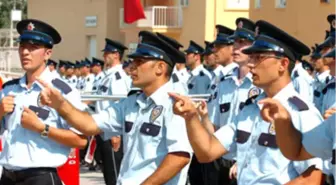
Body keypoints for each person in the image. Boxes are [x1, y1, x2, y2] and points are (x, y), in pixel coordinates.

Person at [169, 20, 325, 184]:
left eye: (258, 58)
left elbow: (312, 179)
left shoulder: (302, 114)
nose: (250, 64)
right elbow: (207, 151)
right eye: (251, 57)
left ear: (283, 64)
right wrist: (191, 117)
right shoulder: (249, 110)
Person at [37, 30, 192, 185]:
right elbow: (90, 124)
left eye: (139, 62)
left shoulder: (176, 105)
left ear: (160, 68)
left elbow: (179, 156)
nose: (132, 67)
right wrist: (60, 104)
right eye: (133, 62)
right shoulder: (131, 103)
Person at [0, 19, 87, 185]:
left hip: (40, 177)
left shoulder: (62, 91)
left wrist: (42, 128)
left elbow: (81, 140)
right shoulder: (9, 89)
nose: (25, 52)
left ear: (47, 54)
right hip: (8, 176)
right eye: (22, 46)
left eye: (33, 48)